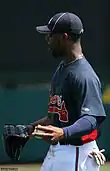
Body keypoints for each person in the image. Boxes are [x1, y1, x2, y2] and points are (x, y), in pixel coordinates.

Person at [29, 12, 106, 171]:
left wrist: (64, 132)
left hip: (77, 154)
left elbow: (92, 118)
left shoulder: (84, 75)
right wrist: (28, 129)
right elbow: (57, 117)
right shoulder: (62, 68)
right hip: (59, 151)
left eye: (51, 35)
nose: (47, 40)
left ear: (64, 37)